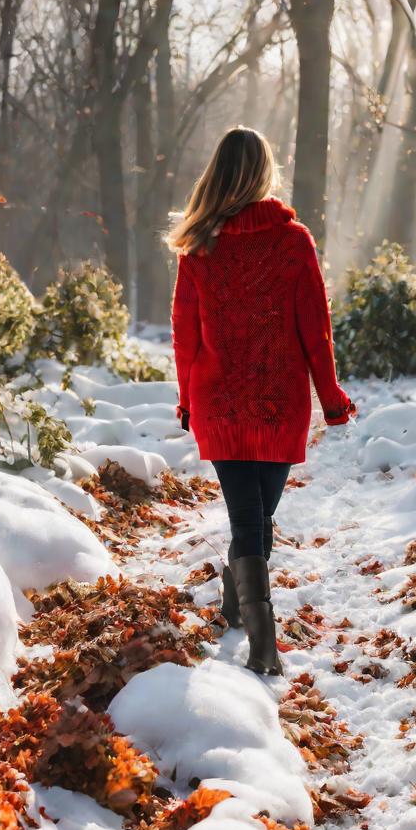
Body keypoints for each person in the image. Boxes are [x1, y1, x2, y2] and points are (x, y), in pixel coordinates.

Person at [166, 126, 355, 675]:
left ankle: (234, 603)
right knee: (254, 518)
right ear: (264, 171)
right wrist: (331, 397)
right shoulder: (282, 243)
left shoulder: (206, 245)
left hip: (232, 403)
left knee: (255, 521)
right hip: (270, 403)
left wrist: (187, 399)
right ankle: (263, 645)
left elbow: (186, 336)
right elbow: (315, 330)